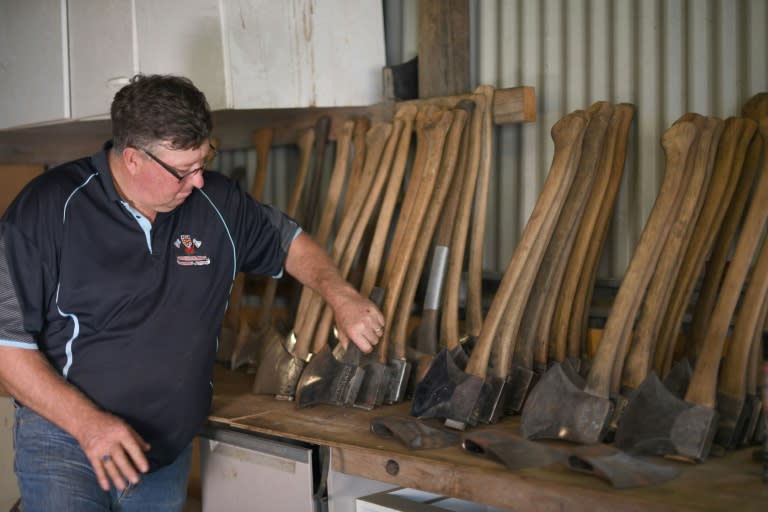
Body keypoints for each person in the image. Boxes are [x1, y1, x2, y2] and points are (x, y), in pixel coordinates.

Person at [0, 74, 385, 511]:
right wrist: (89, 426)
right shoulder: (47, 210)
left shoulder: (217, 203)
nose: (199, 181)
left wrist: (341, 294)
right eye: (183, 170)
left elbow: (289, 242)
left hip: (164, 447)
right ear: (132, 159)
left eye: (204, 161)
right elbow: (6, 344)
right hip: (66, 440)